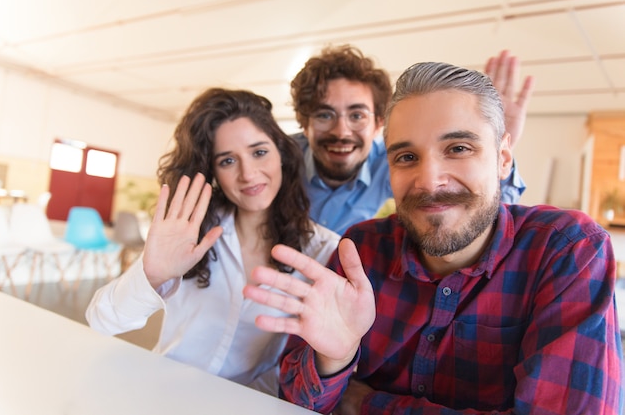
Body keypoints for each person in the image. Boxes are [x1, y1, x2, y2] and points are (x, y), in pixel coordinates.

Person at [243, 62, 623, 413]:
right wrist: (335, 361)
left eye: (458, 148)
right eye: (406, 157)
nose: (429, 181)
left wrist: (362, 403)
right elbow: (293, 399)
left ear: (503, 158)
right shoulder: (362, 251)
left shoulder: (566, 251)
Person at [85, 88, 339, 396]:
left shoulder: (322, 250)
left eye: (259, 152)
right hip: (162, 396)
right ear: (212, 171)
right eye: (228, 160)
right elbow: (101, 322)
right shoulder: (188, 231)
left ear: (282, 155)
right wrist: (152, 275)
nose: (248, 173)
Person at [291, 45, 534, 234]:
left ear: (378, 123)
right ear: (304, 121)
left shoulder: (400, 163)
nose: (341, 131)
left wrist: (492, 141)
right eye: (324, 114)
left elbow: (478, 216)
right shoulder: (278, 159)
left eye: (357, 115)